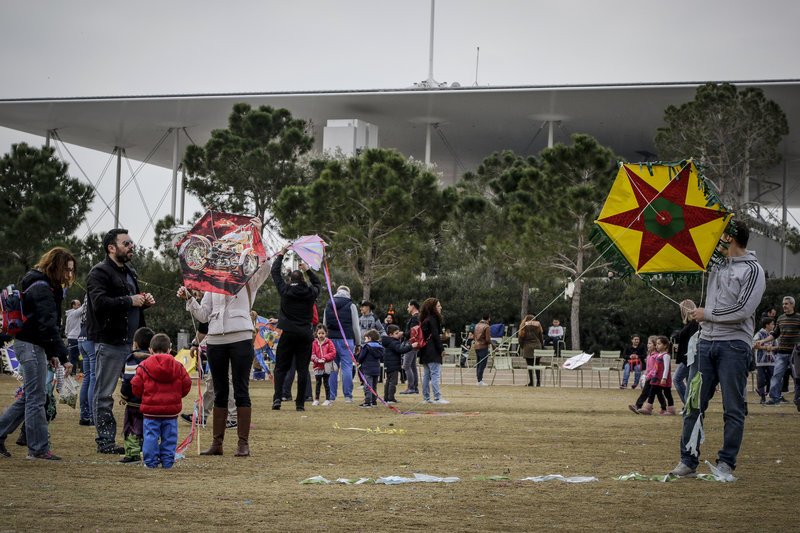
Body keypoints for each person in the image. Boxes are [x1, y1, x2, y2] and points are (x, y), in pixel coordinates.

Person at [670, 222, 765, 479]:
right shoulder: (717, 265)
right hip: (705, 344)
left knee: (733, 408)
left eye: (721, 235)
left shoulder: (753, 270)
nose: (716, 241)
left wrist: (707, 314)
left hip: (734, 346)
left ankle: (726, 463)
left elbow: (743, 310)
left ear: (730, 238)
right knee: (693, 404)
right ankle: (688, 460)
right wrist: (695, 309)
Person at [178, 218, 269, 456]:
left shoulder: (248, 278)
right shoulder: (211, 284)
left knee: (241, 390)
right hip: (216, 339)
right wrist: (190, 299)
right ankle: (216, 444)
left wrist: (258, 235)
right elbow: (204, 314)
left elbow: (265, 264)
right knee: (219, 391)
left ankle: (242, 443)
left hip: (240, 337)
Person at [0, 247, 75, 460]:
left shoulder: (41, 285)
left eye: (71, 271)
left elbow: (43, 325)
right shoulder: (43, 289)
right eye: (66, 270)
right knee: (35, 397)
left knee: (31, 397)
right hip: (31, 345)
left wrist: (52, 352)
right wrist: (62, 356)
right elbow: (47, 325)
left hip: (31, 344)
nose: (69, 275)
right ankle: (38, 448)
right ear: (55, 267)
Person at [87, 228, 155, 455]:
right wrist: (130, 300)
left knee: (138, 393)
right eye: (126, 243)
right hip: (110, 342)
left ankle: (135, 438)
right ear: (111, 248)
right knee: (104, 394)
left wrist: (143, 302)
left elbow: (131, 304)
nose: (131, 246)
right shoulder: (99, 273)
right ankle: (105, 441)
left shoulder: (130, 272)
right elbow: (99, 303)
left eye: (131, 243)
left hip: (133, 345)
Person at [270, 247, 321, 412]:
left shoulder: (285, 290)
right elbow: (318, 284)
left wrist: (281, 254)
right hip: (305, 333)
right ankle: (300, 403)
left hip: (287, 332)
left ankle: (278, 397)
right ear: (303, 280)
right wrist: (308, 269)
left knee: (281, 367)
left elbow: (275, 272)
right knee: (302, 369)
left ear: (290, 280)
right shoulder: (309, 292)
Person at [130, 333, 192, 469]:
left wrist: (144, 396)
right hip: (170, 412)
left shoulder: (143, 366)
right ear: (169, 349)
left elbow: (136, 386)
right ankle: (168, 462)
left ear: (150, 350)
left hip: (151, 411)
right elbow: (186, 384)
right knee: (170, 437)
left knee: (150, 437)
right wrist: (176, 396)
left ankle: (150, 462)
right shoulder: (178, 366)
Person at [117, 326, 154, 463]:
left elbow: (129, 380)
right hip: (151, 402)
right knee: (150, 427)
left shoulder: (133, 359)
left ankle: (132, 454)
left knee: (132, 428)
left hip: (134, 402)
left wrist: (124, 396)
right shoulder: (155, 359)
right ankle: (149, 451)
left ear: (135, 344)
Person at [324, 285, 362, 404]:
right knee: (347, 367)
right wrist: (358, 342)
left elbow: (325, 323)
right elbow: (356, 326)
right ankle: (348, 396)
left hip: (331, 339)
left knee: (332, 368)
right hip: (346, 339)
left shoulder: (329, 304)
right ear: (348, 293)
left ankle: (331, 396)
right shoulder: (351, 305)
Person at [761, 296, 799, 406]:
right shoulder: (780, 318)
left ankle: (798, 399)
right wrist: (763, 341)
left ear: (792, 305)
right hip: (782, 353)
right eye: (783, 304)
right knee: (776, 375)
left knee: (797, 378)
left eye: (786, 303)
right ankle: (774, 398)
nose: (784, 306)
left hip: (795, 354)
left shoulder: (798, 318)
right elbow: (775, 334)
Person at [416, 298, 449, 405]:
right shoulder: (433, 319)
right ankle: (437, 397)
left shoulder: (425, 319)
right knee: (435, 374)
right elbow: (435, 336)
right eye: (439, 306)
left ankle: (426, 398)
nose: (441, 307)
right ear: (433, 308)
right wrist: (441, 349)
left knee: (426, 375)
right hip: (432, 350)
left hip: (424, 350)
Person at [628, 336, 666, 414]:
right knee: (653, 393)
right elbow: (648, 368)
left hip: (655, 378)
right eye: (647, 343)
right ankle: (643, 406)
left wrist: (648, 376)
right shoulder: (649, 356)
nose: (648, 345)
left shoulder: (656, 356)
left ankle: (640, 406)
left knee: (653, 393)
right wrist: (645, 375)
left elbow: (655, 369)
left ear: (655, 345)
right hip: (649, 378)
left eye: (650, 343)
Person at [639, 336, 675, 415]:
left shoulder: (666, 355)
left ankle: (671, 410)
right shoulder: (658, 355)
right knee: (652, 392)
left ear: (665, 345)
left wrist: (664, 378)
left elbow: (666, 368)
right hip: (656, 379)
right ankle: (648, 408)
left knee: (667, 394)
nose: (657, 345)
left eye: (659, 344)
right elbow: (655, 368)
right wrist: (648, 376)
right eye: (657, 344)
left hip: (663, 379)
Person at [673, 300, 699, 405]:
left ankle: (688, 405)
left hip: (689, 358)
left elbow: (693, 341)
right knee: (689, 383)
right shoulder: (689, 324)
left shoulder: (694, 323)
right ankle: (690, 405)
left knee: (677, 379)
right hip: (687, 357)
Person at [77, 295, 96, 426]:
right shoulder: (98, 291)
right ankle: (93, 416)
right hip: (90, 337)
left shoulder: (87, 294)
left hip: (81, 337)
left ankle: (84, 416)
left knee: (87, 377)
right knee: (94, 377)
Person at [381, 324, 412, 404]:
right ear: (390, 334)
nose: (398, 334)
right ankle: (390, 398)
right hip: (393, 365)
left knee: (388, 381)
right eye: (396, 333)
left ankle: (386, 398)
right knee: (393, 382)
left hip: (389, 365)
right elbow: (401, 350)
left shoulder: (388, 341)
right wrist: (411, 346)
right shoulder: (393, 342)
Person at [357, 329, 384, 408]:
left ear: (369, 338)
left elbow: (361, 356)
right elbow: (381, 356)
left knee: (368, 386)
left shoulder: (366, 346)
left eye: (365, 338)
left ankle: (368, 402)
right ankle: (374, 401)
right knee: (374, 386)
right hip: (376, 369)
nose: (365, 340)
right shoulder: (380, 346)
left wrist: (359, 361)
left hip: (368, 369)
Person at [311, 325, 336, 407]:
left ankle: (327, 399)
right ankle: (316, 399)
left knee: (326, 383)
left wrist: (325, 358)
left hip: (326, 366)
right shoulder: (314, 343)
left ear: (326, 333)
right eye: (319, 333)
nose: (321, 335)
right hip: (317, 366)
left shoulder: (329, 342)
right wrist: (316, 359)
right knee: (318, 383)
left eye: (323, 333)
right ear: (316, 334)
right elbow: (312, 354)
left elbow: (333, 353)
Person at [752, 317, 776, 405]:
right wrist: (765, 347)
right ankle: (762, 397)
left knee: (771, 379)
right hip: (761, 361)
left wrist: (771, 348)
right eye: (772, 324)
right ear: (767, 325)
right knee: (761, 380)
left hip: (771, 360)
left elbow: (777, 346)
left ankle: (769, 394)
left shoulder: (773, 335)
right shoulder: (759, 334)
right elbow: (754, 345)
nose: (774, 326)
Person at [400, 300, 421, 395]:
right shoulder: (418, 317)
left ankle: (411, 387)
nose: (407, 308)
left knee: (406, 365)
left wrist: (402, 333)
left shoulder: (414, 318)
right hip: (415, 344)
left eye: (408, 306)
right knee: (412, 366)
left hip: (411, 343)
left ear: (412, 306)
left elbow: (412, 333)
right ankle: (414, 387)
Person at [518, 314, 544, 387]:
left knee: (530, 365)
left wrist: (522, 346)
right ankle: (538, 382)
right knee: (537, 365)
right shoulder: (538, 327)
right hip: (537, 346)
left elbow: (520, 338)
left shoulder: (523, 327)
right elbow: (541, 337)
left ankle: (531, 382)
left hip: (527, 347)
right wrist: (542, 345)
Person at [64, 299, 83, 375]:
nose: (80, 306)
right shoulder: (74, 313)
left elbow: (66, 328)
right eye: (78, 304)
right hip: (74, 338)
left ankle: (78, 372)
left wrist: (67, 334)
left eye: (80, 304)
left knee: (79, 356)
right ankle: (73, 373)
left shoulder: (70, 314)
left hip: (73, 337)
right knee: (74, 356)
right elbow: (83, 308)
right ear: (73, 306)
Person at [473, 315, 492, 386]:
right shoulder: (486, 326)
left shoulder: (477, 325)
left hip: (476, 346)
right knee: (482, 364)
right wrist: (493, 345)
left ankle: (478, 380)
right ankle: (480, 380)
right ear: (488, 318)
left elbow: (474, 336)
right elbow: (487, 339)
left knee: (478, 363)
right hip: (483, 347)